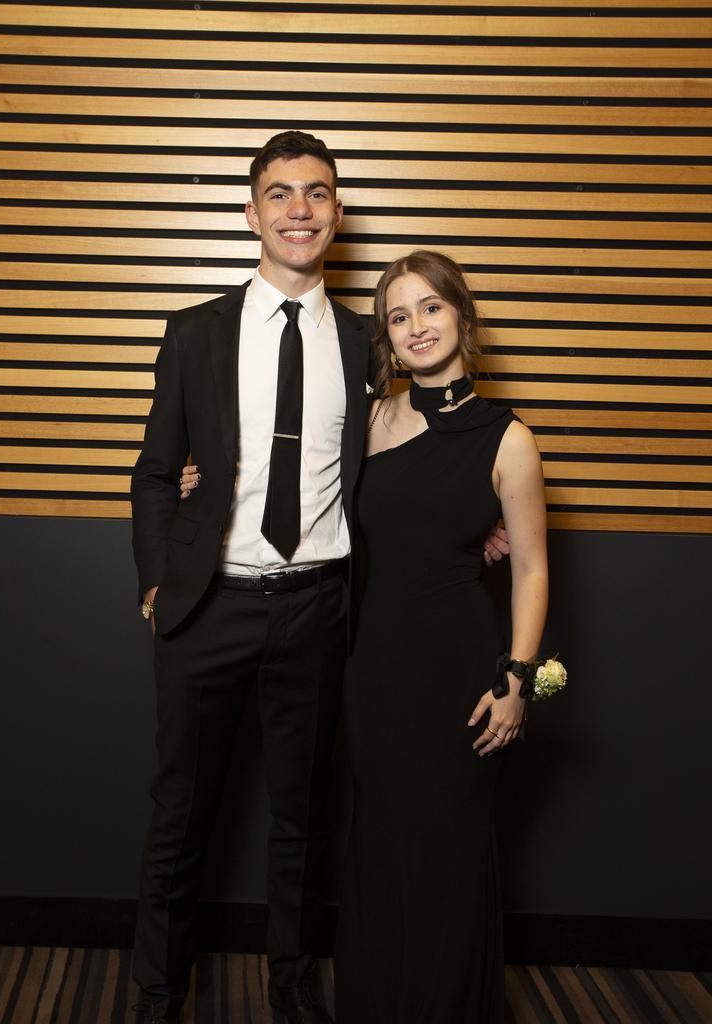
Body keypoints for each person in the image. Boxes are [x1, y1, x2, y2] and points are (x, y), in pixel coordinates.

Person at [135, 130, 507, 1024]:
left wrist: (477, 517)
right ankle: (156, 994)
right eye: (280, 193)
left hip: (320, 610)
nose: (298, 209)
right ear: (252, 211)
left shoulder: (366, 346)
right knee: (180, 818)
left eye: (317, 193)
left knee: (301, 821)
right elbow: (157, 472)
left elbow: (416, 455)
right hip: (209, 606)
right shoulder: (194, 335)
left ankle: (292, 991)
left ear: (337, 213)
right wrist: (156, 579)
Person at [333, 251, 548, 1023]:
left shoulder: (508, 437)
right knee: (381, 846)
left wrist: (516, 680)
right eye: (399, 316)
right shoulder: (369, 419)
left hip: (458, 669)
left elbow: (530, 572)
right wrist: (203, 478)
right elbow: (294, 493)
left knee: (450, 853)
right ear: (386, 338)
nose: (417, 326)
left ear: (461, 315)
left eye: (430, 308)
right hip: (373, 668)